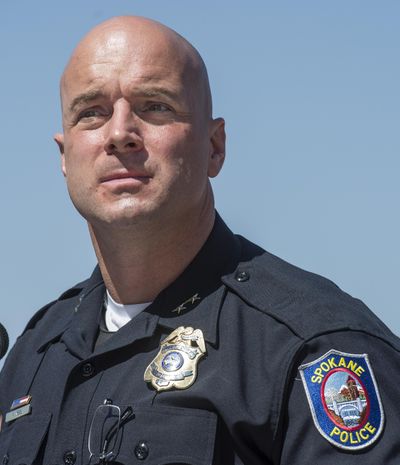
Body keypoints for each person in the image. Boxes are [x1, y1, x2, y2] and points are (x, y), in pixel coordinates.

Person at [0, 15, 399, 465]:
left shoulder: (311, 348)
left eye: (155, 107)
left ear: (215, 147)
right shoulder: (35, 351)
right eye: (91, 112)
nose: (119, 134)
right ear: (65, 157)